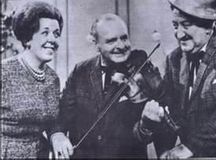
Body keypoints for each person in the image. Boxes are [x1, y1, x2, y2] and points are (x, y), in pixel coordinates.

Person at [134, 0, 216, 158]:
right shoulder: (174, 59)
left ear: (208, 25)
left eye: (186, 25)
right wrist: (146, 124)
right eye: (175, 25)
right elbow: (169, 114)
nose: (179, 34)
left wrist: (189, 147)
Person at [50, 13, 162, 159]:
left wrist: (146, 124)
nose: (121, 46)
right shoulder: (80, 71)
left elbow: (158, 128)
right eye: (111, 41)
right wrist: (57, 134)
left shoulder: (141, 72)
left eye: (124, 38)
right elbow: (62, 113)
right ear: (96, 44)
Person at [0, 1, 63, 159]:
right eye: (45, 32)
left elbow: (51, 120)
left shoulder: (52, 78)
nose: (52, 40)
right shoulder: (4, 72)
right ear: (28, 38)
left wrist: (56, 134)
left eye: (56, 34)